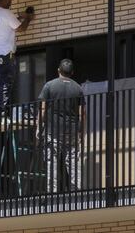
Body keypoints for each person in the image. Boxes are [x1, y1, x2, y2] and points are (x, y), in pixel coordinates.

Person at [37, 59, 85, 192]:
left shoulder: (49, 86)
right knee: (74, 162)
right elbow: (82, 114)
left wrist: (38, 128)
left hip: (53, 131)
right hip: (72, 131)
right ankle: (77, 191)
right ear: (72, 72)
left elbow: (42, 109)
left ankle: (52, 193)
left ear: (58, 70)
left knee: (51, 162)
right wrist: (81, 132)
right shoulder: (78, 88)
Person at [0, 0, 34, 119]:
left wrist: (19, 16)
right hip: (5, 55)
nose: (10, 3)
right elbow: (21, 28)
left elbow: (5, 23)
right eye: (10, 1)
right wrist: (28, 18)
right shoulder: (6, 13)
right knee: (5, 84)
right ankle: (1, 113)